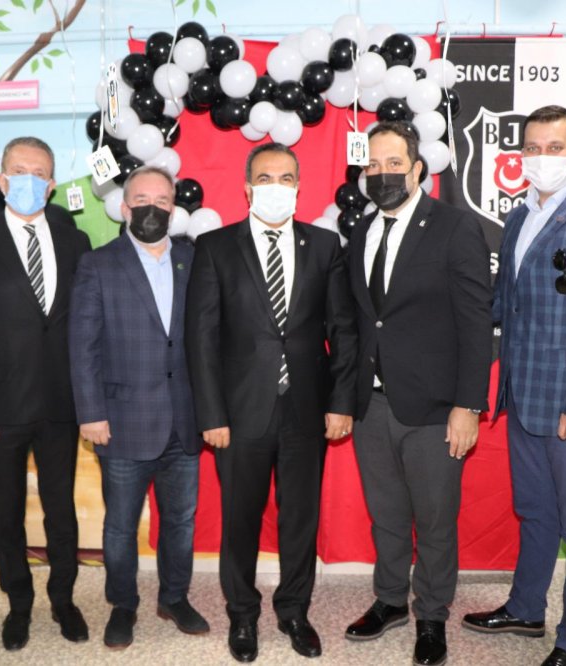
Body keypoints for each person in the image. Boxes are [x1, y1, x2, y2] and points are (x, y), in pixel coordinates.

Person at [461, 105, 566, 666]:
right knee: (535, 513)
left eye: (554, 148)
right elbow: (503, 305)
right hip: (524, 397)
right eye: (532, 148)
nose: (542, 158)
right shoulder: (518, 218)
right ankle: (525, 609)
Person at [185, 143, 358, 662]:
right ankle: (242, 613)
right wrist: (211, 414)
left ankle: (294, 611)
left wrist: (341, 402)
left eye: (285, 178)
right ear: (247, 188)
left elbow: (343, 330)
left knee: (300, 518)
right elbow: (201, 338)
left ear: (298, 187)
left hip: (307, 410)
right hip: (238, 415)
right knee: (239, 519)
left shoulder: (324, 246)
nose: (275, 187)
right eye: (265, 178)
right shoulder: (215, 247)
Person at [342, 122, 493, 666]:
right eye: (373, 165)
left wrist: (468, 405)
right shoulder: (361, 229)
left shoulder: (455, 226)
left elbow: (476, 322)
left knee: (433, 519)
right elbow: (363, 322)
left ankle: (431, 613)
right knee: (385, 514)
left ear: (418, 170)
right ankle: (389, 600)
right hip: (372, 405)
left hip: (434, 409)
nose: (382, 174)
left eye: (393, 164)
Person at [0, 136, 92, 651]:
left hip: (60, 403)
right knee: (7, 511)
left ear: (51, 184)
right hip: (1, 405)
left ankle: (63, 599)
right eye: (19, 170)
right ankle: (19, 603)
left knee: (61, 510)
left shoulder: (75, 240)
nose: (29, 180)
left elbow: (84, 325)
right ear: (2, 179)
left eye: (39, 173)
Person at [69, 166, 209, 649]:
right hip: (122, 420)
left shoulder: (193, 259)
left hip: (184, 421)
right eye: (143, 200)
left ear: (174, 208)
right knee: (120, 526)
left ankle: (174, 597)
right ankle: (122, 605)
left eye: (163, 201)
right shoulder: (98, 264)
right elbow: (82, 346)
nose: (153, 208)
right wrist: (90, 413)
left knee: (180, 522)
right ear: (125, 208)